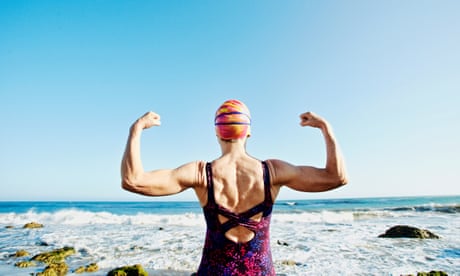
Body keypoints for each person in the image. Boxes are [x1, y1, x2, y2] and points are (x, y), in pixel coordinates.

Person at [121, 99, 348, 276]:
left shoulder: (201, 174)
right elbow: (336, 177)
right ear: (248, 131)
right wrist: (326, 129)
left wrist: (136, 130)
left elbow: (133, 180)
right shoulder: (273, 172)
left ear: (217, 132)